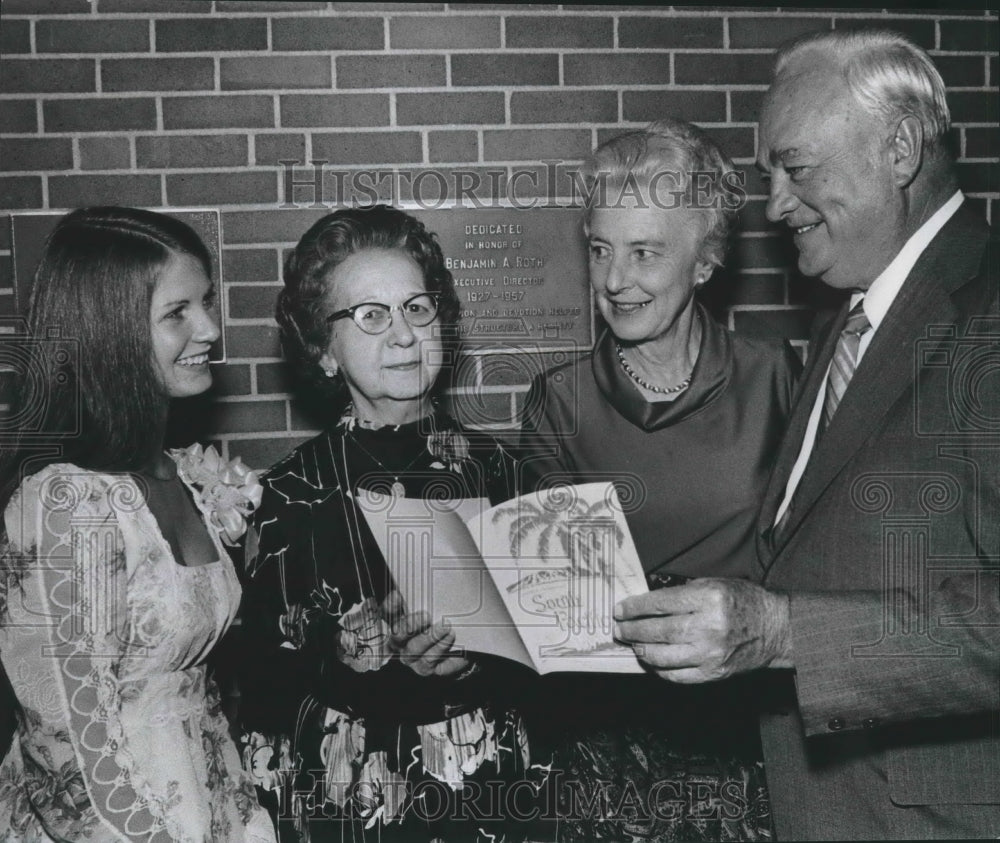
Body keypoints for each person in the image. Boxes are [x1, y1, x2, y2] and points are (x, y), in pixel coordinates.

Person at [614, 29, 1000, 841]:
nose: (778, 204)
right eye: (770, 177)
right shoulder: (850, 315)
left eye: (798, 169)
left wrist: (783, 632)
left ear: (899, 148)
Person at [518, 119, 801, 840]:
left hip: (748, 744)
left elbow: (808, 564)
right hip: (604, 754)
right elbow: (555, 603)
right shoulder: (560, 399)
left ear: (705, 261)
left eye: (645, 252)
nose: (615, 280)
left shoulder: (777, 378)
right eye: (602, 249)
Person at [238, 205, 537, 843]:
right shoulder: (284, 495)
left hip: (483, 790)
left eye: (417, 308)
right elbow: (257, 678)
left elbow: (555, 653)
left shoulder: (507, 476)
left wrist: (477, 662)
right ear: (322, 349)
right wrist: (360, 657)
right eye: (370, 316)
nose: (403, 335)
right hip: (342, 799)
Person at [0, 207, 276, 841]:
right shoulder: (67, 504)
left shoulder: (185, 476)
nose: (209, 328)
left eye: (205, 302)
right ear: (108, 334)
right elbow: (68, 748)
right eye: (177, 313)